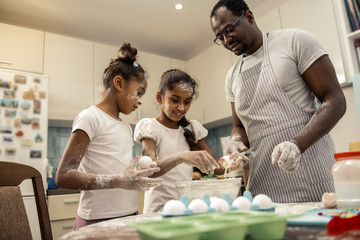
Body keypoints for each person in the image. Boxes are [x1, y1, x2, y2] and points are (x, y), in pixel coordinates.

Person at [210, 0, 346, 203]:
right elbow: (239, 126)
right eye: (220, 37)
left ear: (249, 17)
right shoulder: (232, 77)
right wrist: (235, 142)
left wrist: (296, 145)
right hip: (264, 190)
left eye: (229, 30)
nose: (226, 40)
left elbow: (335, 100)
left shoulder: (295, 41)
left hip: (312, 176)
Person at [56, 43, 163, 230]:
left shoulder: (125, 127)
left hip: (128, 215)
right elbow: (63, 176)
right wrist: (118, 180)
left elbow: (118, 169)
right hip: (97, 219)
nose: (140, 101)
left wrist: (135, 173)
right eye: (138, 92)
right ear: (119, 83)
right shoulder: (90, 118)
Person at [134, 69, 222, 213]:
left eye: (187, 102)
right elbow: (149, 170)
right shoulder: (150, 128)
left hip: (186, 209)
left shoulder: (193, 128)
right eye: (175, 100)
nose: (181, 107)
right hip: (158, 211)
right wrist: (181, 157)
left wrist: (235, 161)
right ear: (159, 97)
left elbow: (217, 168)